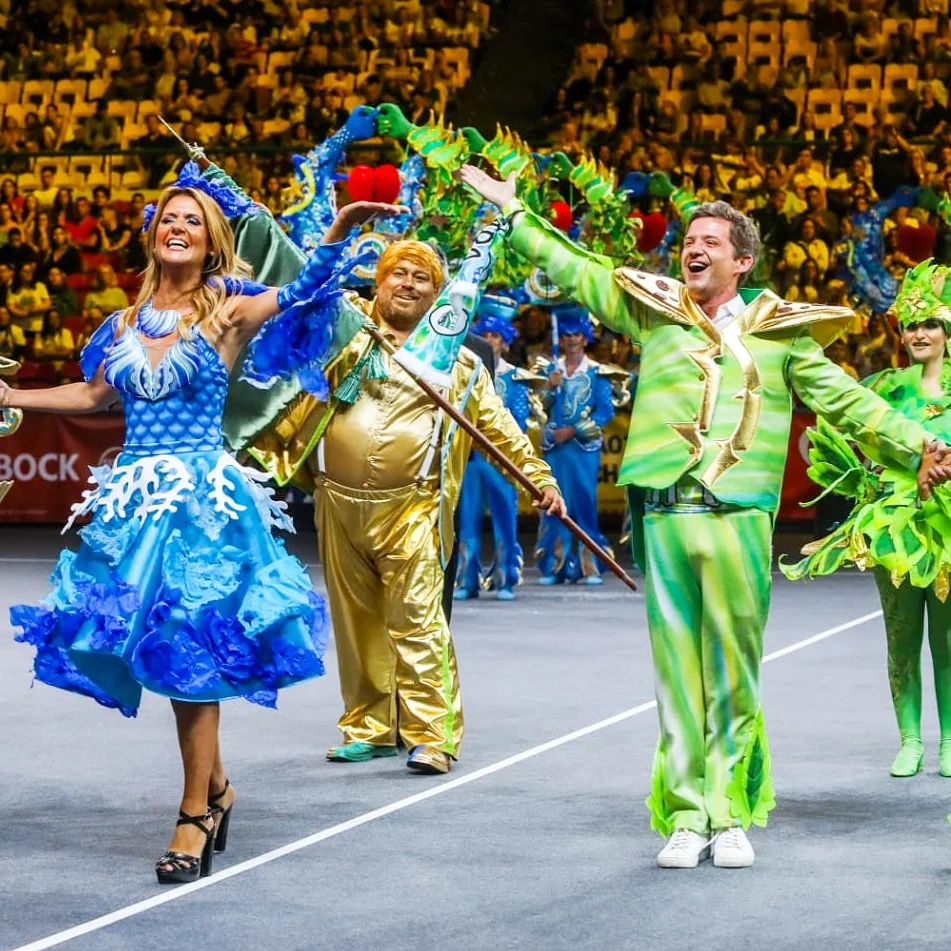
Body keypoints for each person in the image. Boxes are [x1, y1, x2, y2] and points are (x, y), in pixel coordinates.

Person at [459, 163, 948, 870]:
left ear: (741, 260)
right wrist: (514, 214)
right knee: (675, 671)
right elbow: (579, 268)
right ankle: (687, 812)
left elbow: (850, 402)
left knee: (732, 671)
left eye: (710, 240)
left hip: (737, 518)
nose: (694, 247)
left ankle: (729, 808)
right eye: (689, 238)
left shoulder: (779, 332)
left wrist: (921, 442)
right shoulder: (650, 309)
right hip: (663, 515)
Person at [2, 184, 398, 884]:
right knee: (152, 644)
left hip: (203, 507)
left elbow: (308, 286)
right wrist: (13, 397)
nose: (177, 228)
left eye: (193, 221)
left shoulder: (230, 311)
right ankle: (215, 788)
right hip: (133, 505)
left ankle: (193, 812)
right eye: (168, 220)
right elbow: (95, 395)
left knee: (189, 648)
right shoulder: (124, 321)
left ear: (213, 241)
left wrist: (338, 225)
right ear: (154, 236)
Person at [245, 237, 565, 776]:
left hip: (411, 507)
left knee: (417, 620)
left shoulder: (458, 362)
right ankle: (369, 725)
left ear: (438, 296)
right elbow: (286, 379)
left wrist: (537, 477)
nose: (409, 284)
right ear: (380, 280)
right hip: (337, 503)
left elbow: (496, 426)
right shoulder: (342, 336)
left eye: (422, 277)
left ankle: (432, 734)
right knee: (356, 623)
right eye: (400, 273)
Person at [783, 260, 951, 780]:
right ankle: (909, 740)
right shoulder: (879, 387)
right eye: (910, 325)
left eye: (929, 324)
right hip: (892, 527)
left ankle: (949, 741)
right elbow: (840, 431)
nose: (918, 333)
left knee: (946, 640)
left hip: (946, 529)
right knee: (901, 637)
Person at [455, 293, 540, 602]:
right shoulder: (467, 373)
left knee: (506, 521)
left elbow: (518, 420)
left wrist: (493, 440)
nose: (490, 341)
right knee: (468, 521)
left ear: (505, 342)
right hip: (472, 460)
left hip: (503, 463)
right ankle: (468, 579)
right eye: (486, 335)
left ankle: (505, 579)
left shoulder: (514, 378)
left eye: (496, 336)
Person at [534, 305, 616, 586]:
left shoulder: (596, 373)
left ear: (584, 338)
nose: (570, 340)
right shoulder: (549, 369)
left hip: (582, 449)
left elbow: (606, 411)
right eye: (566, 335)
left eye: (576, 335)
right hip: (555, 448)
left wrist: (575, 430)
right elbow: (537, 409)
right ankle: (555, 566)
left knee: (583, 503)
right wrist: (548, 387)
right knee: (554, 503)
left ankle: (589, 564)